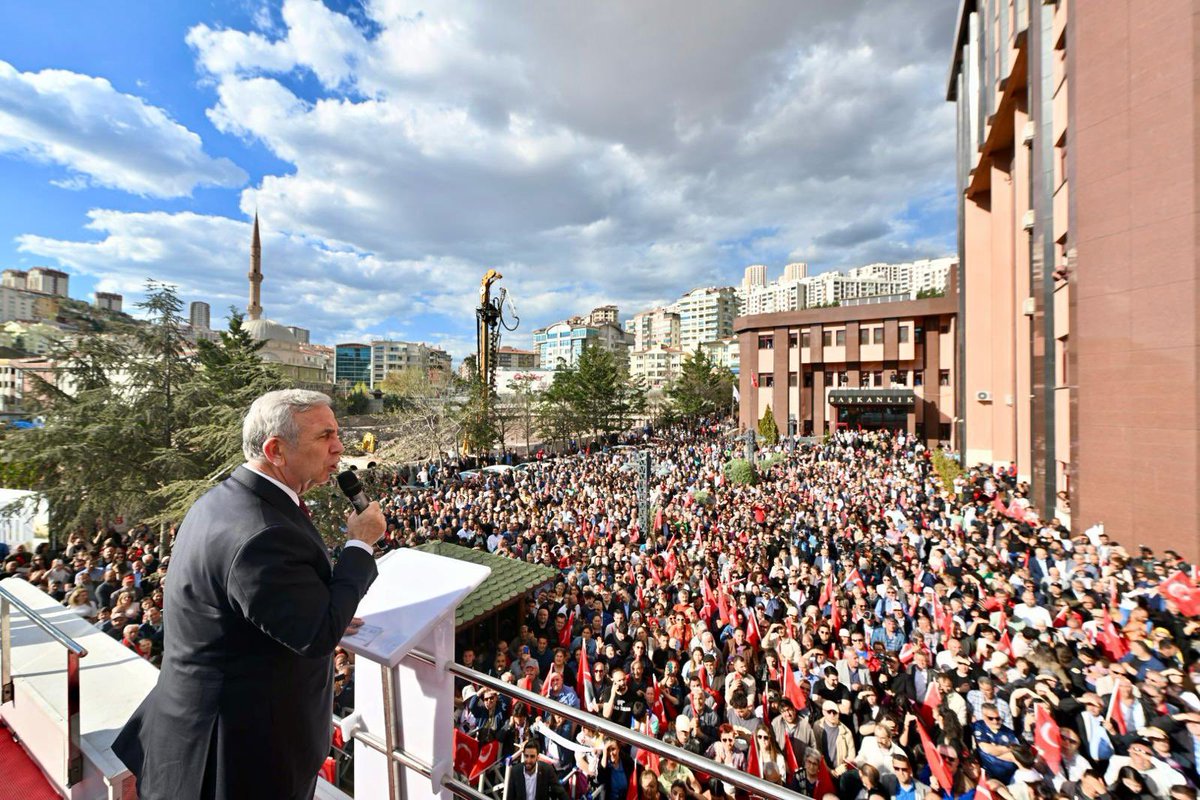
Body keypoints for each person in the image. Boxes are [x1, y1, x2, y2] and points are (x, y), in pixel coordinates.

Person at [112, 390, 385, 799]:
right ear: (275, 450)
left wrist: (319, 608)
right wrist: (360, 545)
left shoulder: (226, 501)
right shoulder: (264, 532)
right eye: (325, 435)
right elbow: (315, 636)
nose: (339, 446)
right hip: (235, 758)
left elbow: (255, 608)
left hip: (201, 733)